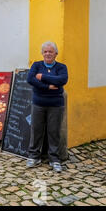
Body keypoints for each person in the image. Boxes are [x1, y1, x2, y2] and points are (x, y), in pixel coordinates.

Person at [26, 41, 68, 172]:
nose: (48, 54)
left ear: (56, 53)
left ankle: (54, 159)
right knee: (36, 130)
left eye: (50, 51)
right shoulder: (36, 65)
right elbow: (30, 79)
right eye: (45, 51)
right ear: (42, 53)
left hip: (56, 105)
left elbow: (62, 80)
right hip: (38, 103)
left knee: (54, 132)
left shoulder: (61, 67)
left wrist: (43, 76)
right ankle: (34, 156)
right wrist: (48, 86)